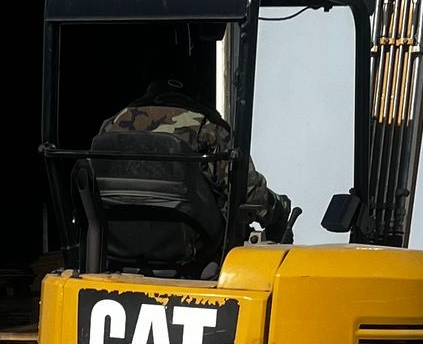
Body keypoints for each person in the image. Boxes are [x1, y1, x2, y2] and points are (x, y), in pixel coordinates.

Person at [98, 75, 297, 241]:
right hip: (194, 251)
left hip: (118, 246)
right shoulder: (208, 128)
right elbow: (251, 196)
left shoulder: (111, 125)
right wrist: (278, 207)